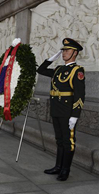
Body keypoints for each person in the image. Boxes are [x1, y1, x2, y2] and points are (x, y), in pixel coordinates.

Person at [37, 38, 85, 181]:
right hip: (56, 110)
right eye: (63, 50)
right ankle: (58, 166)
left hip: (67, 112)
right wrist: (53, 58)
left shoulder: (77, 71)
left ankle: (65, 170)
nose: (64, 53)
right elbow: (40, 70)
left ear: (75, 53)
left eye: (67, 50)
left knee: (68, 141)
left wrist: (75, 115)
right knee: (59, 140)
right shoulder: (58, 69)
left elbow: (80, 95)